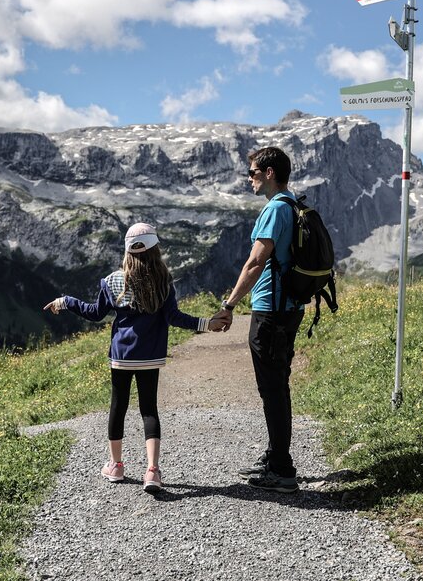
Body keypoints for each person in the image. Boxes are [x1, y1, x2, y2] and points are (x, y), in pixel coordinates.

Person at [44, 222, 226, 494]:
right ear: (155, 249)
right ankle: (152, 471)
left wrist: (66, 301)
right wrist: (206, 323)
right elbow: (174, 318)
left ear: (127, 251)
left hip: (121, 355)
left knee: (118, 407)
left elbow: (95, 313)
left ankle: (116, 465)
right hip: (150, 355)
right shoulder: (164, 281)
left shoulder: (112, 281)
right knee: (149, 409)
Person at [213, 147, 305, 493]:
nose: (249, 179)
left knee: (273, 388)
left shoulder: (274, 209)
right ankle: (274, 456)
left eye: (252, 173)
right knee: (277, 383)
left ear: (269, 173)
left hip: (271, 309)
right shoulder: (294, 204)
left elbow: (255, 262)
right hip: (290, 306)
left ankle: (282, 471)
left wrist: (230, 304)